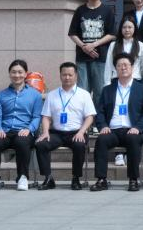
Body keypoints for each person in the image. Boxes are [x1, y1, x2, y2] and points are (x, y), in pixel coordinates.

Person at [91, 53, 143, 192]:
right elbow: (100, 112)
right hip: (112, 130)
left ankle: (133, 179)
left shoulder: (142, 89)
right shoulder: (108, 89)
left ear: (132, 67)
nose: (123, 68)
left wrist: (138, 127)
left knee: (133, 139)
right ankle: (101, 179)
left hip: (133, 130)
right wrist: (103, 126)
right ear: (115, 69)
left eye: (126, 65)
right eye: (119, 65)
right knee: (101, 140)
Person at [0, 59, 43, 191]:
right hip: (5, 131)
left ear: (25, 74)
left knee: (22, 142)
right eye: (14, 72)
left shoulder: (35, 95)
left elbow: (37, 117)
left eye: (20, 72)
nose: (17, 75)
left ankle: (22, 177)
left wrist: (29, 129)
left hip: (24, 131)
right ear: (9, 74)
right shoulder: (2, 95)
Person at [34, 62, 96, 190]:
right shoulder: (52, 95)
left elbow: (90, 116)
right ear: (60, 75)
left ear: (76, 76)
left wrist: (81, 132)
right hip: (57, 133)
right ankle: (48, 178)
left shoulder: (84, 94)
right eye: (64, 75)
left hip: (76, 132)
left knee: (79, 145)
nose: (67, 77)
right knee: (41, 144)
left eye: (70, 75)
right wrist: (45, 132)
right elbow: (46, 116)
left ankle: (76, 178)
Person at [68, 0, 116, 93]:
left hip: (100, 57)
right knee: (82, 90)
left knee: (100, 90)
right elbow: (72, 33)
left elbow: (112, 34)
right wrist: (84, 47)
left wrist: (94, 44)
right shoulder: (80, 10)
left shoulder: (107, 10)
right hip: (82, 57)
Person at [103, 16, 143, 84]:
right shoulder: (113, 45)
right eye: (124, 27)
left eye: (130, 27)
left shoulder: (141, 46)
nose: (127, 30)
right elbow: (108, 66)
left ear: (135, 28)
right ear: (120, 28)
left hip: (135, 80)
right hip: (116, 80)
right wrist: (107, 83)